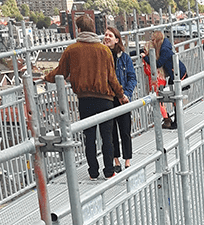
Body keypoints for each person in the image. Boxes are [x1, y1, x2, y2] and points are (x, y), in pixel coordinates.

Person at [45, 15, 128, 180]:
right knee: (107, 137)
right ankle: (109, 170)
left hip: (85, 100)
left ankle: (93, 172)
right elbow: (112, 78)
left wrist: (45, 77)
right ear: (93, 30)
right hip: (105, 99)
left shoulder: (72, 50)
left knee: (89, 138)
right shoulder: (104, 50)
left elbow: (60, 73)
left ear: (79, 29)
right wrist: (121, 95)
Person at [103, 27, 136, 172]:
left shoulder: (125, 58)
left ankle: (127, 160)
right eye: (105, 35)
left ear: (117, 40)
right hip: (108, 98)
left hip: (122, 97)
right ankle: (116, 160)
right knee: (111, 132)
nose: (107, 37)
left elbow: (132, 77)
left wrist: (127, 94)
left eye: (110, 35)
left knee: (125, 130)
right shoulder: (102, 56)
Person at [142, 31, 188, 129]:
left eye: (154, 40)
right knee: (175, 98)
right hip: (175, 73)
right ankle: (176, 121)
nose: (153, 42)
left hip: (178, 74)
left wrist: (146, 58)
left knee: (176, 98)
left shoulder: (164, 50)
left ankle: (176, 122)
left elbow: (158, 64)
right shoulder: (165, 46)